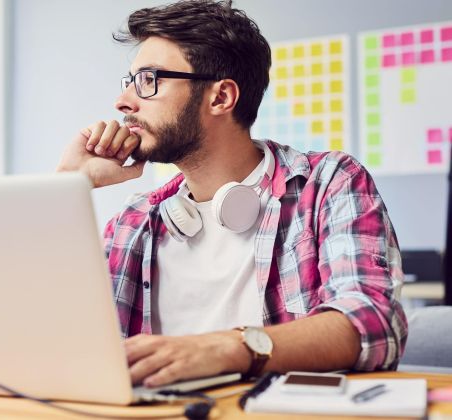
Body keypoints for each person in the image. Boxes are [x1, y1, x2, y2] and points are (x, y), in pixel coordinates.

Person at [56, 0, 407, 388]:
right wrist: (69, 184)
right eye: (130, 82)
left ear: (221, 97)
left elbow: (372, 322)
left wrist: (224, 348)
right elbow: (52, 336)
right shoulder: (134, 222)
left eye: (149, 80)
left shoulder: (326, 184)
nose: (123, 102)